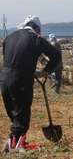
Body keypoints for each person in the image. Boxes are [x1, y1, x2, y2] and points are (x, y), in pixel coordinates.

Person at [1, 15, 61, 152]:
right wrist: (45, 71)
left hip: (4, 78)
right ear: (36, 28)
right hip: (20, 79)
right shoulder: (35, 38)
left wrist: (28, 68)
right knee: (22, 114)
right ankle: (15, 147)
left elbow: (11, 57)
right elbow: (56, 56)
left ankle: (14, 142)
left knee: (15, 113)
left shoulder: (10, 37)